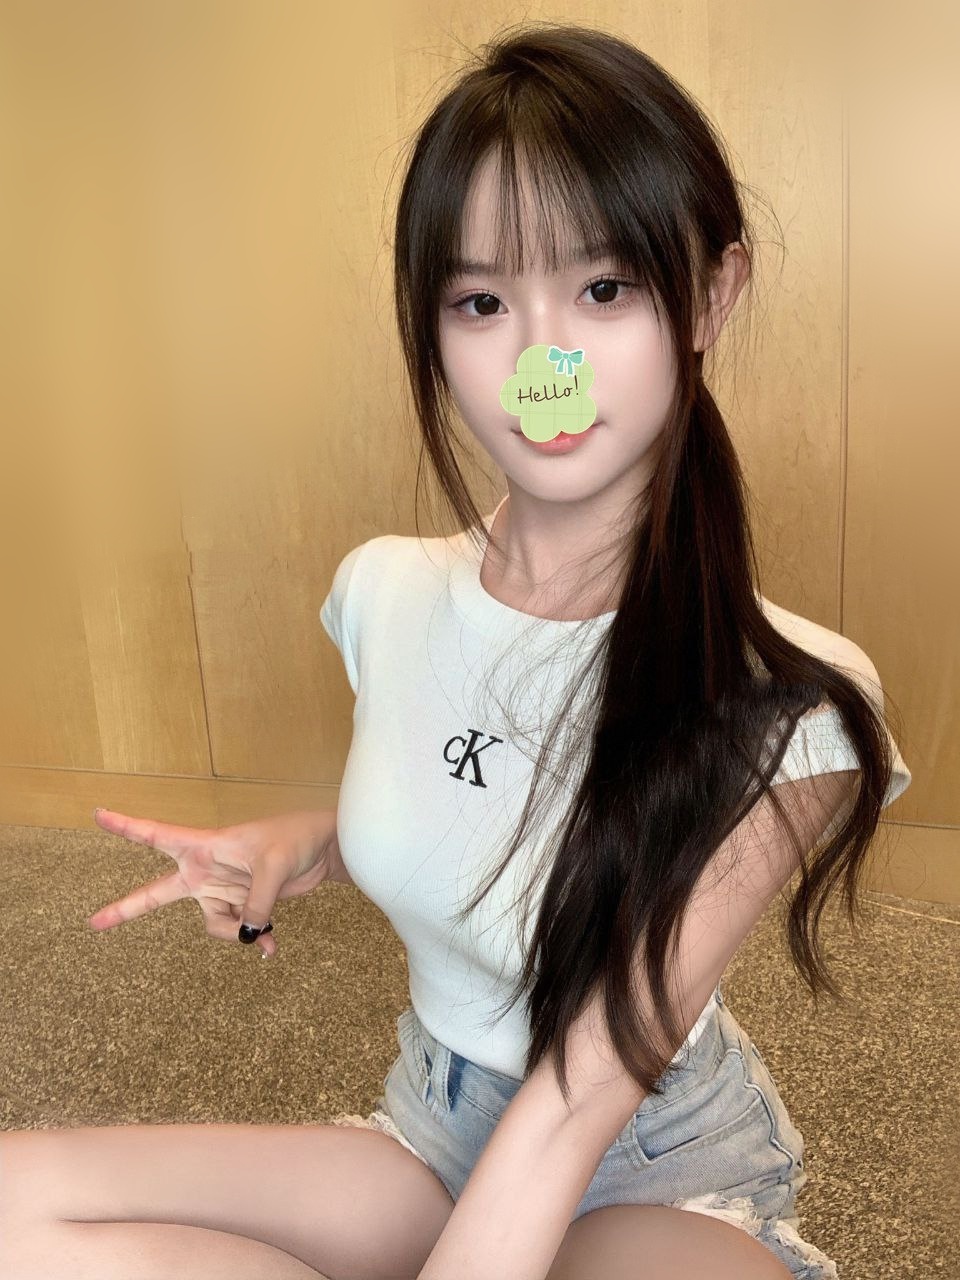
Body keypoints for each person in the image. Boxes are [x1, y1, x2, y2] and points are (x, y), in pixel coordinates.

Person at [1, 22, 912, 1280]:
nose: (542, 363)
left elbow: (587, 1083)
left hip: (649, 1164)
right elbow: (478, 786)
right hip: (434, 1131)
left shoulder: (792, 702)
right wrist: (313, 840)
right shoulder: (384, 591)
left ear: (711, 294)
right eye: (482, 302)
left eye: (604, 290)